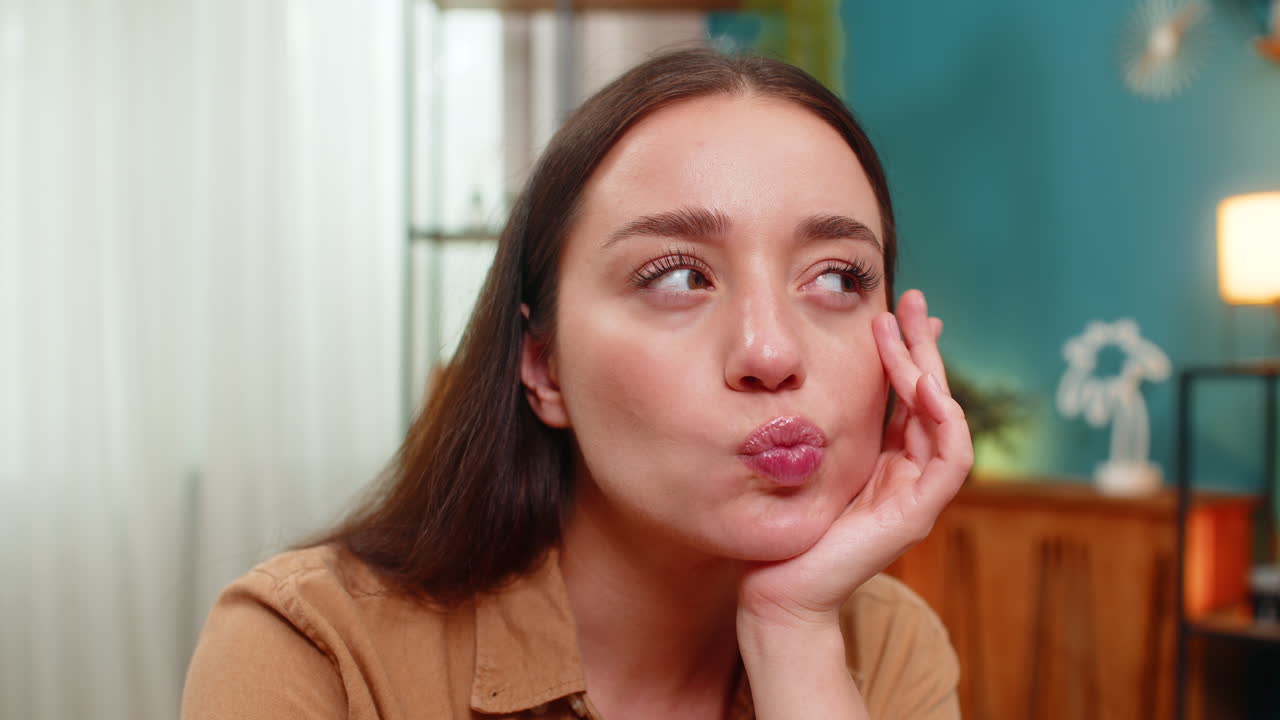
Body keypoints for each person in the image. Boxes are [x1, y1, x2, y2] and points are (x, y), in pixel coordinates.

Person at [181, 48, 973, 720]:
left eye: (837, 278)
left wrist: (793, 635)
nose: (771, 351)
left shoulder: (890, 651)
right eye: (677, 277)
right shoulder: (315, 653)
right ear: (542, 364)